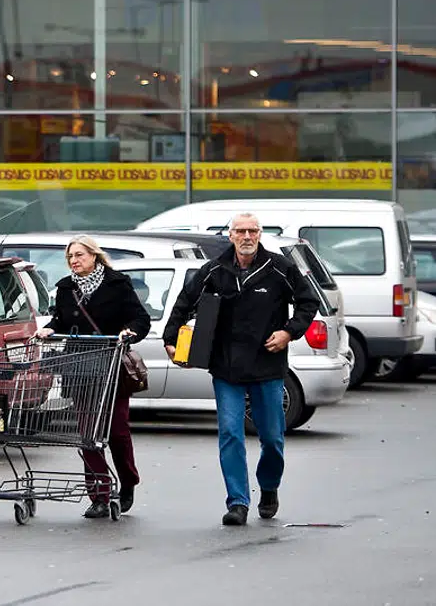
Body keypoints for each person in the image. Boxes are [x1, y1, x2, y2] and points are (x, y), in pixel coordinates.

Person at [161, 212, 320, 526]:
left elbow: (308, 302)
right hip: (226, 367)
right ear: (230, 235)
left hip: (268, 366)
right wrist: (170, 339)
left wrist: (289, 332)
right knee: (231, 434)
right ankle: (237, 502)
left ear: (259, 234)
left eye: (252, 231)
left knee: (273, 438)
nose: (247, 236)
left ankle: (269, 487)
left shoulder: (279, 268)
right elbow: (183, 303)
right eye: (240, 231)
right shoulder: (214, 270)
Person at [34, 235, 151, 518]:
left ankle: (128, 482)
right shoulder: (65, 288)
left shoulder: (117, 284)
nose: (74, 261)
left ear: (95, 256)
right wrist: (50, 328)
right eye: (70, 257)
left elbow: (140, 319)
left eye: (80, 255)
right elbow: (61, 320)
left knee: (117, 432)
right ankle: (98, 494)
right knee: (88, 435)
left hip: (110, 366)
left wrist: (129, 332)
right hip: (80, 368)